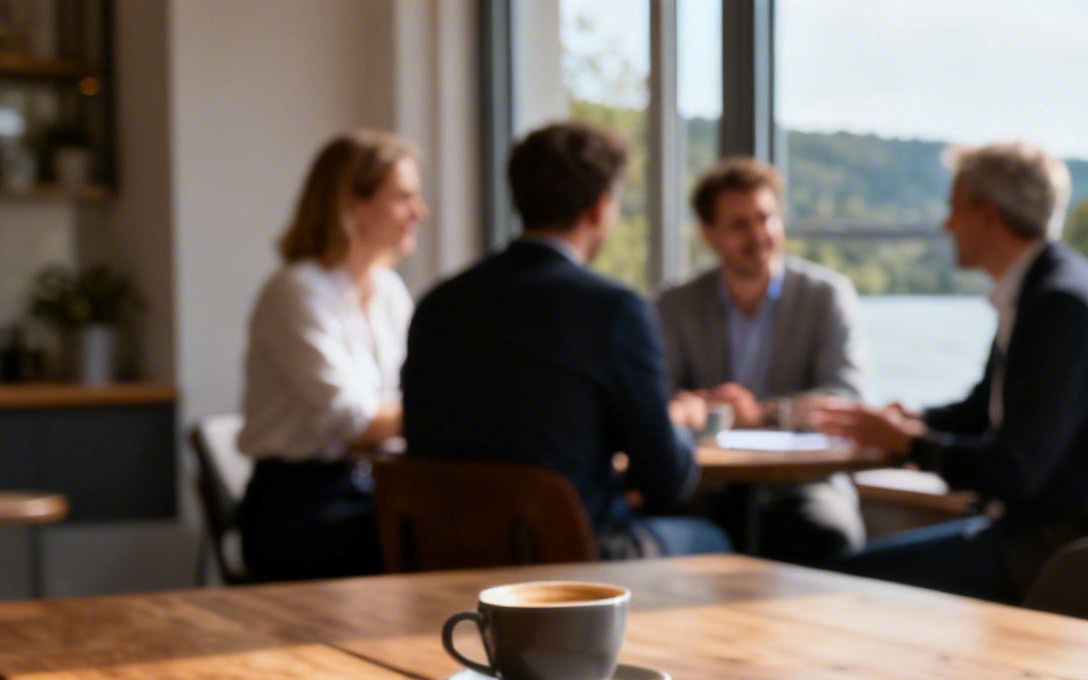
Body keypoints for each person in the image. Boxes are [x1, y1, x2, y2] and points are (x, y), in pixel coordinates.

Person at [813, 141, 1088, 602]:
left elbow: (1014, 472)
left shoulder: (1060, 304)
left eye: (954, 208)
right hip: (1063, 540)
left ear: (988, 214)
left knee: (840, 584)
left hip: (1072, 556)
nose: (946, 225)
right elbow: (985, 409)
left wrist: (909, 444)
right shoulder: (1049, 288)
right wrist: (914, 420)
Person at [400, 122, 728, 559]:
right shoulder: (613, 309)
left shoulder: (437, 305)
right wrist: (683, 425)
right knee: (712, 540)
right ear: (600, 208)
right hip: (567, 557)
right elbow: (664, 476)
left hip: (444, 553)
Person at [655, 158, 868, 567]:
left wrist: (764, 413)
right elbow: (657, 397)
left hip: (805, 481)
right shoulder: (675, 305)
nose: (758, 235)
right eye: (740, 224)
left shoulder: (827, 295)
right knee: (673, 534)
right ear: (709, 234)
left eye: (766, 218)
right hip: (706, 483)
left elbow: (846, 394)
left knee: (830, 536)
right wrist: (706, 407)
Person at [238, 130, 424, 580]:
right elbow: (356, 420)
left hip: (366, 488)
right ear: (353, 204)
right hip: (300, 508)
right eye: (403, 197)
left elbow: (397, 402)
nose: (419, 211)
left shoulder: (388, 290)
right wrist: (450, 411)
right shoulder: (297, 291)